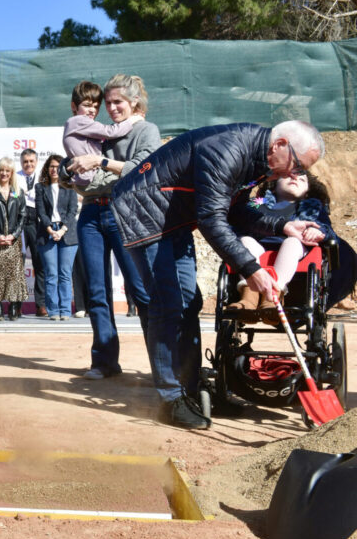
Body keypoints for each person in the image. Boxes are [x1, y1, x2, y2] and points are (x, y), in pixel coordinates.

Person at [111, 120, 326, 429]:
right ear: (279, 145)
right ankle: (171, 400)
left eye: (301, 171)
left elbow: (236, 211)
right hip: (144, 212)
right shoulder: (227, 149)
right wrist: (250, 269)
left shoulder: (259, 160)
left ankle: (194, 387)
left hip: (175, 219)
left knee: (190, 302)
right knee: (167, 304)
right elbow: (212, 218)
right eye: (296, 165)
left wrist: (283, 226)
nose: (295, 174)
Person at [65, 74, 156, 381]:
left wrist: (100, 163)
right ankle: (104, 361)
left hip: (125, 215)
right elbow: (74, 171)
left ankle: (161, 365)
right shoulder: (100, 133)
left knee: (140, 290)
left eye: (119, 102)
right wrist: (70, 169)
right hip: (91, 213)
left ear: (134, 103)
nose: (113, 108)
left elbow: (144, 167)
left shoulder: (145, 130)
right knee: (96, 291)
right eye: (109, 103)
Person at [227, 173, 335, 324]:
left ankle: (273, 297)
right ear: (275, 184)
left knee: (291, 243)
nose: (295, 178)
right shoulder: (258, 202)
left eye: (302, 179)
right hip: (260, 243)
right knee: (245, 241)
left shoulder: (313, 207)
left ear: (308, 190)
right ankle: (248, 297)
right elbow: (238, 219)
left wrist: (319, 232)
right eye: (288, 176)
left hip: (296, 246)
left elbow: (328, 231)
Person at [62, 80, 143, 188]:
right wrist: (133, 120)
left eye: (96, 106)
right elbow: (111, 131)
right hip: (92, 177)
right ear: (73, 106)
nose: (92, 110)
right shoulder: (78, 121)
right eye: (87, 105)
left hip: (87, 176)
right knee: (131, 180)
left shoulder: (81, 126)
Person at [0, 157, 27, 321]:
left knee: (14, 276)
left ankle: (13, 309)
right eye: (1, 170)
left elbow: (23, 216)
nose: (4, 173)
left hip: (13, 242)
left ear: (12, 173)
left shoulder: (18, 192)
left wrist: (13, 235)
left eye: (7, 170)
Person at [36, 155, 79, 320]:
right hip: (47, 232)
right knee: (51, 274)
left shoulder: (70, 186)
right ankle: (53, 310)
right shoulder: (40, 187)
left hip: (67, 232)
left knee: (65, 274)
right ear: (47, 168)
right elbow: (41, 211)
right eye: (51, 166)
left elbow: (72, 210)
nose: (54, 169)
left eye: (57, 166)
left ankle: (65, 310)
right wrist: (50, 230)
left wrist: (62, 230)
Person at [16, 148, 47, 317]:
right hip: (20, 221)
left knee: (40, 265)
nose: (28, 164)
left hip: (37, 222)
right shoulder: (15, 177)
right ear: (21, 162)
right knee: (18, 266)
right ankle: (17, 305)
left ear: (36, 162)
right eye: (25, 161)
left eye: (31, 161)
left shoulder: (43, 178)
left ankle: (40, 305)